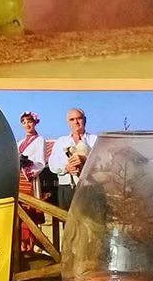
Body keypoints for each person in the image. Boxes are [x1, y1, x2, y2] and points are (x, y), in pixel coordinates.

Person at [48, 108, 98, 210]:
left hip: (91, 187)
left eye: (79, 118)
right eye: (72, 119)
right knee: (66, 218)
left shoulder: (95, 140)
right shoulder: (61, 141)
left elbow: (104, 163)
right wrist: (66, 168)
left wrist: (86, 159)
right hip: (67, 188)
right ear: (68, 122)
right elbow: (52, 164)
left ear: (85, 120)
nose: (76, 122)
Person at [16, 111, 46, 252]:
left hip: (30, 178)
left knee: (30, 212)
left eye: (29, 122)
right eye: (24, 122)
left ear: (34, 123)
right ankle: (21, 245)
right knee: (20, 211)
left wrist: (28, 166)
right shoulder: (20, 142)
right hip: (20, 179)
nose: (27, 125)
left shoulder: (40, 140)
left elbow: (40, 162)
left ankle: (30, 246)